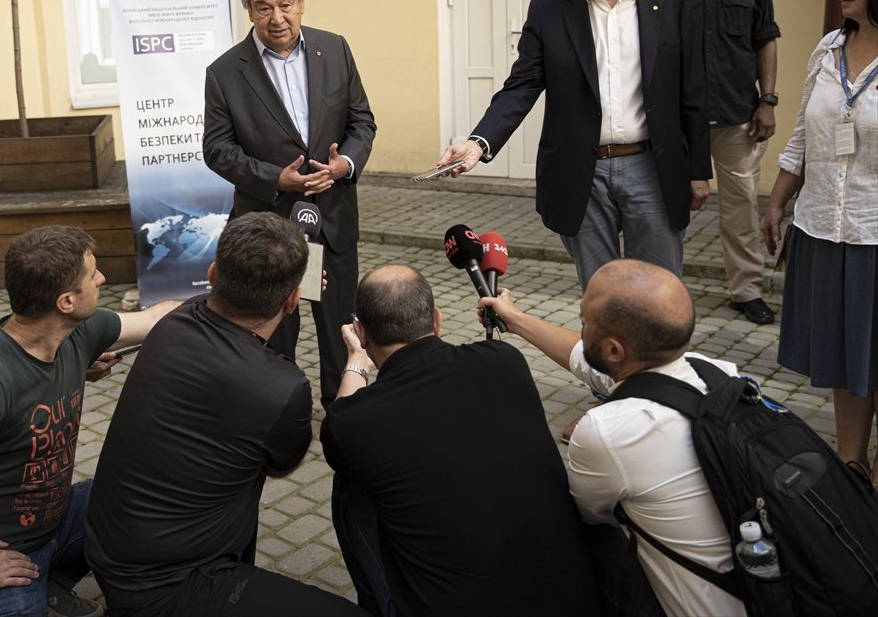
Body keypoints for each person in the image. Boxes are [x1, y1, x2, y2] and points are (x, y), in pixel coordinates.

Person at [85, 212, 367, 616]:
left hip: (112, 550)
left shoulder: (174, 321)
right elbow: (282, 463)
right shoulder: (283, 388)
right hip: (175, 584)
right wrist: (355, 366)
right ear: (292, 300)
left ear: (213, 274)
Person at [0, 226, 176, 617]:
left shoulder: (79, 332)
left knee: (149, 491)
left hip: (57, 521)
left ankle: (54, 583)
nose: (102, 279)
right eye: (92, 275)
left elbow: (154, 318)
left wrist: (228, 298)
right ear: (66, 301)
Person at [438, 0, 711, 289]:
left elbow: (693, 89)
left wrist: (700, 171)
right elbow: (522, 85)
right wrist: (479, 143)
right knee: (600, 295)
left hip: (652, 168)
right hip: (583, 174)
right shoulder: (550, 9)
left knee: (658, 294)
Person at [320, 264, 600, 617]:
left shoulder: (357, 420)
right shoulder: (505, 360)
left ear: (360, 333)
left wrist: (356, 363)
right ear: (436, 321)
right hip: (571, 601)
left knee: (350, 482)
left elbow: (340, 423)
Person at [480, 259, 744, 616]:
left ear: (615, 351)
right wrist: (516, 319)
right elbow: (597, 364)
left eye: (584, 323)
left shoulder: (605, 432)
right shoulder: (717, 373)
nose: (580, 327)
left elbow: (588, 517)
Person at [203, 0, 377, 406]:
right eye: (264, 7)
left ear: (301, 3)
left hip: (333, 218)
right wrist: (275, 179)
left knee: (339, 324)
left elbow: (362, 122)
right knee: (274, 330)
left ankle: (343, 409)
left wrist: (346, 166)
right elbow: (217, 149)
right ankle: (279, 412)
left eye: (286, 4)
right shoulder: (225, 73)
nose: (277, 17)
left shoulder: (334, 49)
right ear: (249, 11)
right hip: (269, 224)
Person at [764, 0, 878, 486]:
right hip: (824, 228)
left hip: (875, 232)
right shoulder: (828, 48)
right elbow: (804, 136)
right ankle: (852, 464)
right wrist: (778, 200)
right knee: (846, 357)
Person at [664, 0, 781, 325]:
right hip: (682, 122)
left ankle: (746, 290)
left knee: (741, 208)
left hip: (739, 117)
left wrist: (768, 100)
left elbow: (765, 40)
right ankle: (664, 289)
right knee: (671, 208)